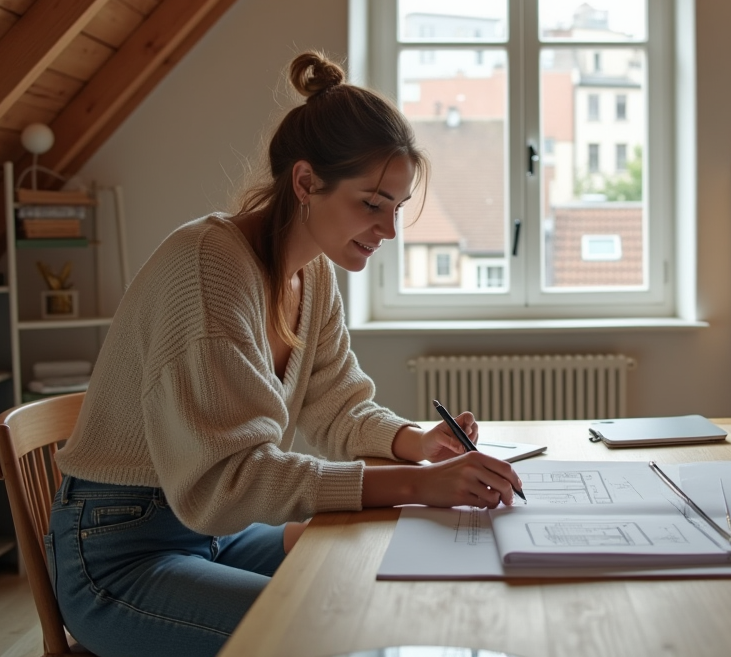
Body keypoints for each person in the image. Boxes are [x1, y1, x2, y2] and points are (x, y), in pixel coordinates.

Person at [47, 52, 523, 657]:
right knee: (325, 633)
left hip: (217, 531)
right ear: (304, 183)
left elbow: (337, 410)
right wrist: (421, 485)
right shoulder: (207, 270)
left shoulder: (313, 276)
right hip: (123, 555)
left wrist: (415, 442)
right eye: (372, 203)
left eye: (397, 209)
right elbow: (229, 479)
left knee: (374, 587)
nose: (390, 231)